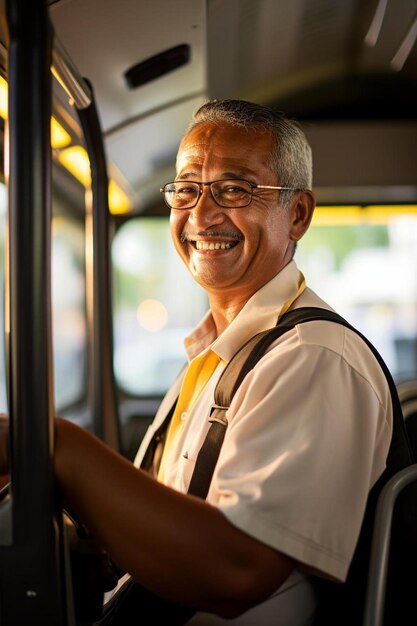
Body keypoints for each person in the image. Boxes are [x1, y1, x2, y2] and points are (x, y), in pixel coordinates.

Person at [0, 99, 393, 625]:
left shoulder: (313, 356)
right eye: (186, 189)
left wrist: (56, 447)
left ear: (297, 214)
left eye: (234, 189)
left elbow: (237, 570)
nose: (202, 214)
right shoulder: (215, 355)